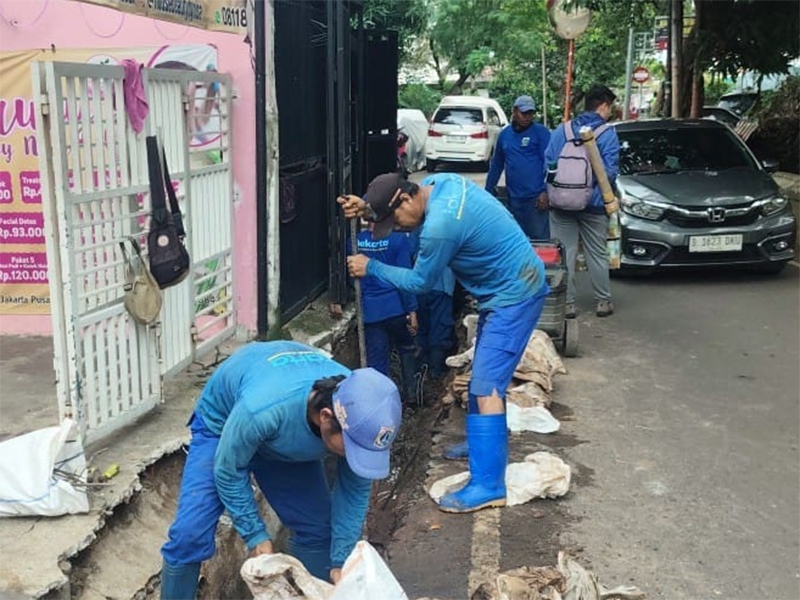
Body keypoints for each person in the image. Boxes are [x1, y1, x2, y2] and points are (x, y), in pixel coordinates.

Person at [337, 172, 549, 514]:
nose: (401, 229)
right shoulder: (439, 184)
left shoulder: (440, 226)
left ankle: (489, 485)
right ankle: (484, 446)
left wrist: (371, 267)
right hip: (506, 288)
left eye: (397, 220)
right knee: (485, 374)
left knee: (484, 386)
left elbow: (421, 281)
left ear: (406, 200)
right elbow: (397, 209)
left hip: (515, 294)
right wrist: (369, 207)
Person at [159, 341, 402, 599]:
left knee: (319, 531)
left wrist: (341, 563)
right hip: (223, 428)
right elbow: (228, 470)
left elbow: (353, 493)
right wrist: (255, 536)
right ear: (326, 417)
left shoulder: (359, 413)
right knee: (189, 536)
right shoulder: (262, 408)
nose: (357, 456)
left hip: (278, 441)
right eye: (352, 447)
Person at [544, 84, 620, 318]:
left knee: (564, 252)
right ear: (604, 106)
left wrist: (553, 191)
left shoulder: (562, 131)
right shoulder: (607, 133)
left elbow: (548, 164)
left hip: (560, 203)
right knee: (596, 252)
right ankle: (602, 302)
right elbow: (609, 171)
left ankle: (566, 304)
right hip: (594, 205)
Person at [353, 222, 419, 404]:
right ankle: (411, 395)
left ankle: (380, 404)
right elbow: (404, 277)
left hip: (371, 311)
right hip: (396, 308)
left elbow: (349, 275)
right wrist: (412, 310)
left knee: (377, 362)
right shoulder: (398, 240)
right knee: (406, 348)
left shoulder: (354, 242)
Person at [485, 95, 552, 240]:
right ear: (514, 111)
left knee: (539, 240)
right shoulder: (505, 135)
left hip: (535, 199)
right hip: (514, 198)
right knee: (516, 240)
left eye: (530, 114)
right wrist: (488, 190)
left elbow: (550, 164)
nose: (527, 117)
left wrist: (545, 191)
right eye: (524, 113)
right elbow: (497, 165)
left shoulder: (541, 133)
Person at [407, 227, 456, 381]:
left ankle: (422, 368)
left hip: (421, 284)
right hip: (442, 285)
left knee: (423, 327)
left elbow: (410, 252)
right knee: (440, 328)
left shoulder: (419, 227)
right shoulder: (449, 227)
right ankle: (436, 372)